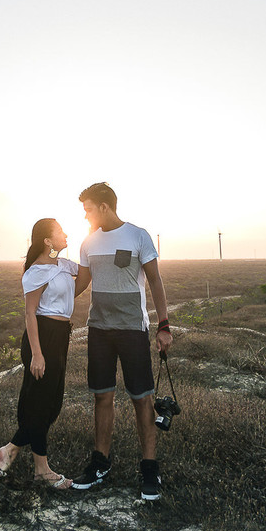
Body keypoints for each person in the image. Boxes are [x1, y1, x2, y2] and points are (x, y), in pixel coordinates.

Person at [70, 182, 172, 501]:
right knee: (102, 397)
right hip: (99, 329)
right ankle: (100, 464)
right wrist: (46, 300)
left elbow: (155, 280)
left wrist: (163, 325)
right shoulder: (87, 242)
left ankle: (150, 468)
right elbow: (81, 285)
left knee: (142, 399)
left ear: (104, 207)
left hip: (132, 330)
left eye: (88, 209)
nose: (85, 216)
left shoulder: (138, 235)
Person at [0, 218, 90, 488]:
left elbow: (81, 283)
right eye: (60, 232)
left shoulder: (65, 265)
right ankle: (41, 470)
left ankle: (10, 450)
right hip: (41, 337)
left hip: (60, 337)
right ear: (47, 240)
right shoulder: (35, 271)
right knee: (40, 404)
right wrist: (37, 354)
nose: (66, 235)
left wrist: (91, 243)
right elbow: (30, 313)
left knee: (52, 403)